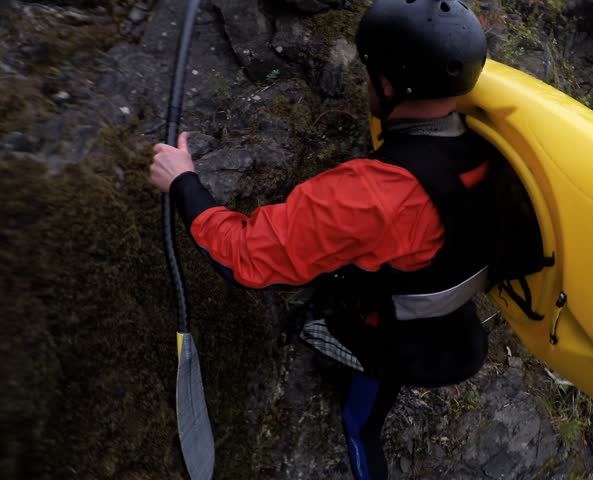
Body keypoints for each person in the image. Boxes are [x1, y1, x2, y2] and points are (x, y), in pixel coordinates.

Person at [150, 0, 500, 478]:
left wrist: (183, 183)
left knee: (359, 426)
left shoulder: (370, 195)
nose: (364, 78)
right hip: (457, 327)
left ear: (390, 85)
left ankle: (337, 344)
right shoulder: (491, 148)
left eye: (369, 70)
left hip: (396, 345)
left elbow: (246, 258)